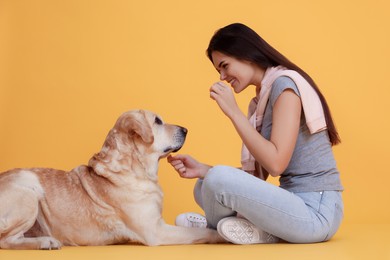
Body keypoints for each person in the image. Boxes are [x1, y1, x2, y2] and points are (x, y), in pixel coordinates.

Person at [167, 23, 344, 244]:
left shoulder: (285, 86)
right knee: (204, 184)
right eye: (218, 71)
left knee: (217, 179)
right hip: (292, 204)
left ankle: (213, 229)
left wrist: (233, 112)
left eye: (224, 65)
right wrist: (203, 169)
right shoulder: (261, 100)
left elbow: (276, 164)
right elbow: (257, 176)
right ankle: (257, 232)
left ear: (246, 55)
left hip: (316, 212)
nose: (222, 76)